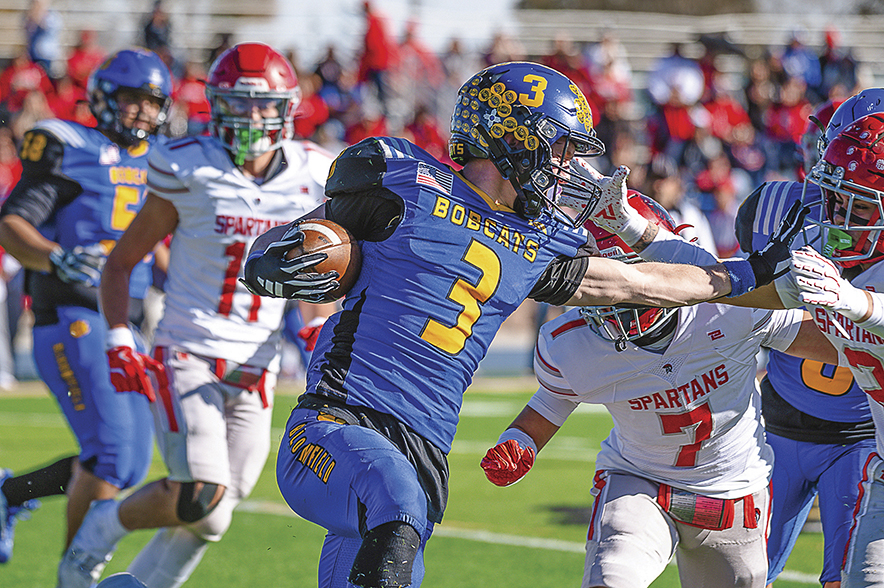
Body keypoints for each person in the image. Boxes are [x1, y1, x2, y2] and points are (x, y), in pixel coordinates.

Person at [236, 62, 797, 588]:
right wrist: (280, 258)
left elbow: (638, 283)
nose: (566, 168)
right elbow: (267, 255)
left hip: (424, 449)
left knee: (391, 529)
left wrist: (745, 274)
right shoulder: (397, 179)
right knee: (395, 508)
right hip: (335, 424)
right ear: (514, 136)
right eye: (559, 148)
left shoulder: (537, 241)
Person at [58, 42, 335, 588]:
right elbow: (121, 265)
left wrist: (313, 325)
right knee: (203, 496)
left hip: (259, 359)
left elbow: (316, 275)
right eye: (239, 102)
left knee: (215, 515)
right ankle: (95, 535)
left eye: (263, 104)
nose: (252, 115)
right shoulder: (188, 164)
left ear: (286, 107)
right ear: (215, 104)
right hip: (190, 347)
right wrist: (119, 338)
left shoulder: (314, 174)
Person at [481, 194, 836, 588]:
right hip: (639, 480)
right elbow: (554, 400)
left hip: (733, 490)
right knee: (612, 576)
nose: (619, 296)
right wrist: (521, 440)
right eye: (606, 281)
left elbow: (840, 348)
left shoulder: (732, 306)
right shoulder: (571, 343)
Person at [0, 48, 172, 564]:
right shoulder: (70, 147)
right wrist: (56, 258)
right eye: (130, 98)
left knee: (131, 463)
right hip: (73, 312)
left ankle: (9, 494)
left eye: (151, 100)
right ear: (102, 99)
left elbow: (157, 249)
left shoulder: (161, 162)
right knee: (114, 455)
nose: (142, 110)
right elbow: (11, 223)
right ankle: (75, 576)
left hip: (128, 322)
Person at [735, 91, 884, 588]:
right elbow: (737, 293)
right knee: (742, 574)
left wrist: (856, 303)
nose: (823, 157)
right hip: (780, 422)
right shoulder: (783, 210)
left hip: (859, 438)